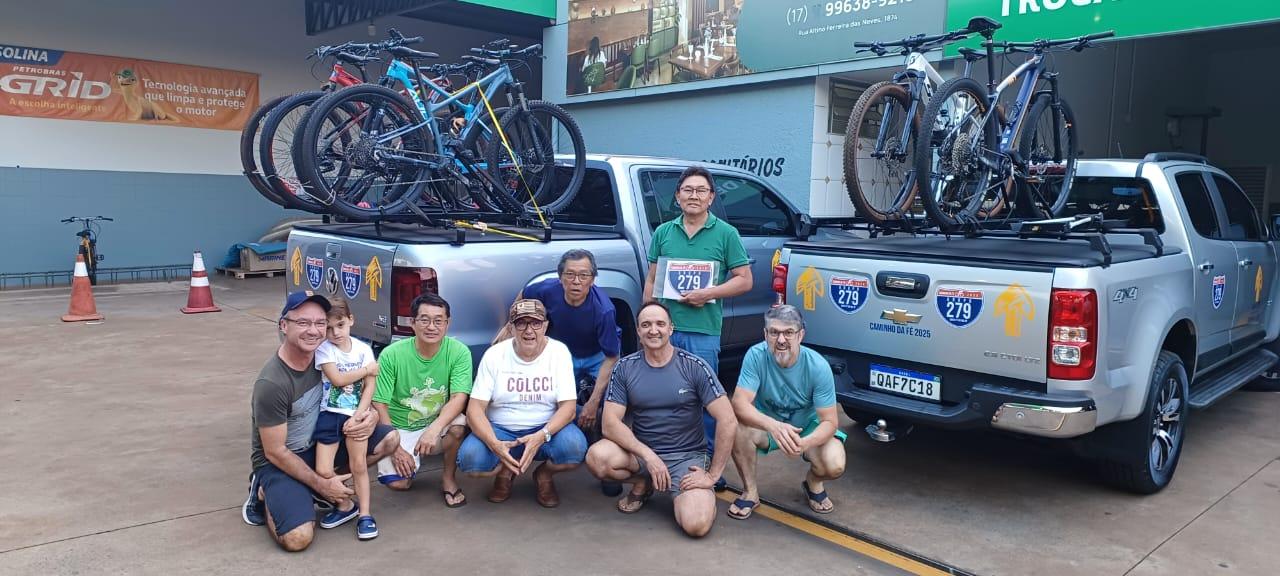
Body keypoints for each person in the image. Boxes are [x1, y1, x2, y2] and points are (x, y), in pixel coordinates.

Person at [244, 291, 397, 552]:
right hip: (282, 460)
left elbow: (358, 391)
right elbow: (275, 451)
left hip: (319, 443)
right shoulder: (272, 383)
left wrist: (368, 416)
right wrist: (322, 485)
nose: (314, 331)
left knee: (390, 438)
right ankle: (264, 490)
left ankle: (324, 490)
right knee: (298, 538)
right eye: (303, 323)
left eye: (319, 323)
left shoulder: (328, 355)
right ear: (284, 325)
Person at [585, 302, 738, 537]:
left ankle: (690, 496)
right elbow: (610, 423)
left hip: (686, 458)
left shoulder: (694, 366)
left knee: (696, 525)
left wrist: (713, 475)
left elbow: (728, 420)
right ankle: (643, 482)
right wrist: (648, 456)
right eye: (646, 325)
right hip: (642, 454)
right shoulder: (625, 368)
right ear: (637, 331)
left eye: (660, 324)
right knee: (597, 457)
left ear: (671, 329)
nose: (653, 330)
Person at [642, 165, 752, 485]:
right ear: (677, 197)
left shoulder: (726, 234)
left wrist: (710, 293)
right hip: (665, 334)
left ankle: (705, 466)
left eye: (700, 191)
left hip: (704, 331)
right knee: (664, 398)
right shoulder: (663, 233)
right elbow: (651, 280)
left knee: (706, 403)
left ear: (711, 198)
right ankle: (664, 458)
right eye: (687, 190)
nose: (693, 195)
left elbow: (744, 280)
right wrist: (648, 321)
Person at [506, 249, 622, 495]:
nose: (576, 282)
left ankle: (604, 459)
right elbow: (523, 297)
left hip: (594, 356)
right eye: (570, 275)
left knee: (602, 408)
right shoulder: (546, 290)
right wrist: (508, 328)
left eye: (583, 275)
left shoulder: (604, 310)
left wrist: (592, 403)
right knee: (554, 399)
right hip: (560, 353)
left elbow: (612, 357)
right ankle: (550, 444)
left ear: (593, 279)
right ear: (560, 277)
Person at [458, 299, 588, 508]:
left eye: (536, 323)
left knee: (574, 449)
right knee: (470, 461)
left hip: (546, 429)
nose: (529, 330)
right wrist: (494, 443)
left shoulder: (559, 352)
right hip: (501, 429)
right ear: (510, 328)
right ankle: (505, 471)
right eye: (521, 323)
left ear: (545, 326)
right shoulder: (495, 355)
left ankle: (544, 475)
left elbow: (569, 408)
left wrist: (541, 435)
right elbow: (474, 409)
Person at [727, 306, 846, 520]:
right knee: (735, 425)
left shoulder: (818, 366)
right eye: (774, 332)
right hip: (770, 424)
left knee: (835, 464)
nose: (781, 339)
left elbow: (829, 421)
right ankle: (750, 492)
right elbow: (739, 403)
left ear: (800, 335)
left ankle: (813, 482)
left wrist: (805, 443)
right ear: (765, 335)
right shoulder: (755, 355)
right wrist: (774, 426)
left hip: (808, 427)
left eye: (788, 332)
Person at [372, 292, 472, 508]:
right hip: (400, 428)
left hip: (436, 423)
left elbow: (459, 397)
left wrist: (433, 430)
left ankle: (448, 477)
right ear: (412, 323)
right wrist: (395, 447)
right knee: (399, 484)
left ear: (448, 323)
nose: (431, 327)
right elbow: (379, 403)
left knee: (458, 426)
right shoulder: (392, 354)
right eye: (424, 320)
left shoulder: (459, 352)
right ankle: (403, 457)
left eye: (438, 320)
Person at [312, 298, 381, 539]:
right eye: (328, 328)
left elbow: (369, 388)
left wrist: (361, 415)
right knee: (322, 469)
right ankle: (344, 504)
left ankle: (365, 514)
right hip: (330, 414)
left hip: (356, 415)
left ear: (351, 320)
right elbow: (338, 380)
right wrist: (366, 370)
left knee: (359, 465)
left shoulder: (363, 349)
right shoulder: (324, 349)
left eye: (340, 325)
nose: (334, 333)